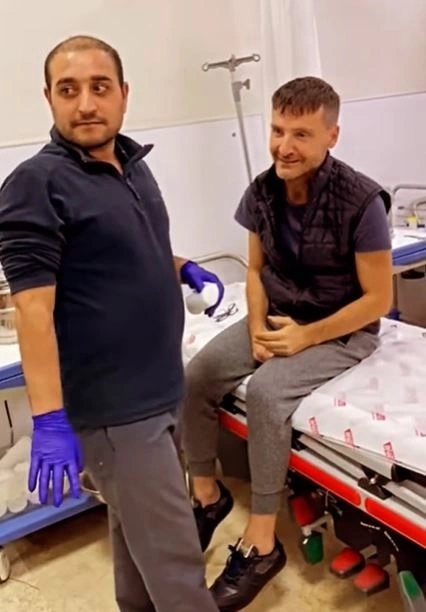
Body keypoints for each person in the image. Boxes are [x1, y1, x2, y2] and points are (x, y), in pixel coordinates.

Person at [0, 35, 223, 612]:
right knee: (177, 568)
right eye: (68, 90)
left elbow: (125, 253)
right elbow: (33, 310)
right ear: (48, 98)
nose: (86, 104)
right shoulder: (37, 183)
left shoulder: (131, 165)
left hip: (162, 390)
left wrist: (181, 267)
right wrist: (49, 419)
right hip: (118, 412)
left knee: (139, 548)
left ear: (124, 94)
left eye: (99, 87)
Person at [182, 76, 393, 611]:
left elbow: (378, 299)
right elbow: (255, 270)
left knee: (267, 393)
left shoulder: (362, 201)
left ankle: (261, 542)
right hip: (278, 314)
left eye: (301, 134)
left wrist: (306, 337)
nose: (284, 146)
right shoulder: (262, 191)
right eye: (278, 130)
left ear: (332, 136)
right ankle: (206, 495)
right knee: (197, 376)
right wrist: (257, 325)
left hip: (343, 328)